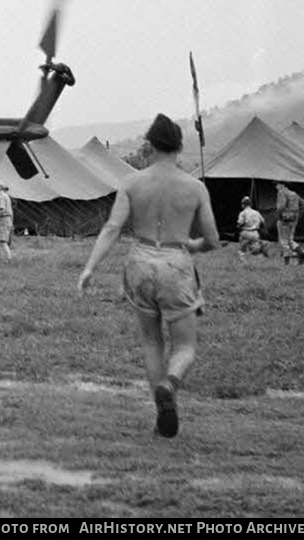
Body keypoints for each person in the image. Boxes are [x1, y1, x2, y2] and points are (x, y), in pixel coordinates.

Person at [77, 113, 220, 438]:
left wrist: (89, 268)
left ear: (150, 146)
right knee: (185, 346)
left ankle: (160, 413)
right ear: (179, 147)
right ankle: (170, 384)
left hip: (139, 261)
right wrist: (193, 246)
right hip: (175, 263)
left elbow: (112, 227)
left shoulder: (131, 183)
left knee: (151, 341)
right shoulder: (195, 188)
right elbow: (212, 240)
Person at [275, 182, 302, 263]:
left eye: (277, 185)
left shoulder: (282, 192)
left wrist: (278, 216)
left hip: (284, 219)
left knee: (283, 240)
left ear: (282, 185)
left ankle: (286, 261)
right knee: (290, 239)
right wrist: (297, 214)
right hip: (293, 219)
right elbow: (303, 204)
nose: (276, 187)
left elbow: (281, 206)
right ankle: (300, 253)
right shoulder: (295, 194)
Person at [236, 196, 265, 261]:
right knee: (256, 249)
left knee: (242, 250)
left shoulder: (243, 213)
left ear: (243, 204)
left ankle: (243, 262)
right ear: (250, 204)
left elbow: (240, 223)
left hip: (246, 233)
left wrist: (238, 227)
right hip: (255, 233)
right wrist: (262, 229)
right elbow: (263, 222)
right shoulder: (256, 212)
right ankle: (259, 261)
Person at [0, 182, 13, 260]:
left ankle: (8, 259)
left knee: (2, 241)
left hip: (3, 220)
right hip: (3, 220)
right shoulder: (3, 196)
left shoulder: (1, 196)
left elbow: (2, 209)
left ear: (0, 187)